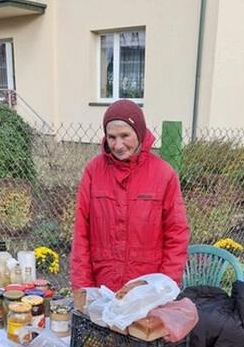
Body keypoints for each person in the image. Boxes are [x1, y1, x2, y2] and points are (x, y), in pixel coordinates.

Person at [70, 99, 190, 293]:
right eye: (112, 137)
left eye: (125, 136)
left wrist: (162, 289)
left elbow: (176, 236)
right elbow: (81, 234)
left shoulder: (164, 175)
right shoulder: (94, 172)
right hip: (103, 289)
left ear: (139, 132)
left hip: (147, 291)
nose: (118, 145)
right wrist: (83, 290)